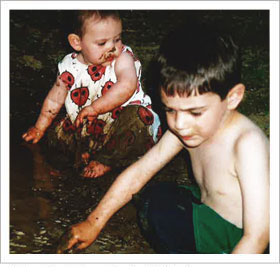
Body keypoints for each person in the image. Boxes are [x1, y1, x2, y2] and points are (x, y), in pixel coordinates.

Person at [60, 22, 269, 254]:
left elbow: (258, 237)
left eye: (195, 112)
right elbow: (141, 171)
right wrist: (93, 222)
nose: (179, 124)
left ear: (232, 98)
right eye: (170, 110)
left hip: (241, 237)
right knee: (153, 202)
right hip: (208, 211)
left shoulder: (247, 144)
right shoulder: (188, 127)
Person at [22, 10, 161, 178]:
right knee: (56, 131)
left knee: (138, 119)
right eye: (102, 43)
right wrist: (39, 127)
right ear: (77, 42)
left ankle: (107, 160)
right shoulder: (69, 66)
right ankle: (80, 156)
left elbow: (127, 85)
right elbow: (54, 99)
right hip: (91, 131)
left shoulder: (123, 58)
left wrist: (95, 108)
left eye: (117, 39)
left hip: (120, 128)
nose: (112, 47)